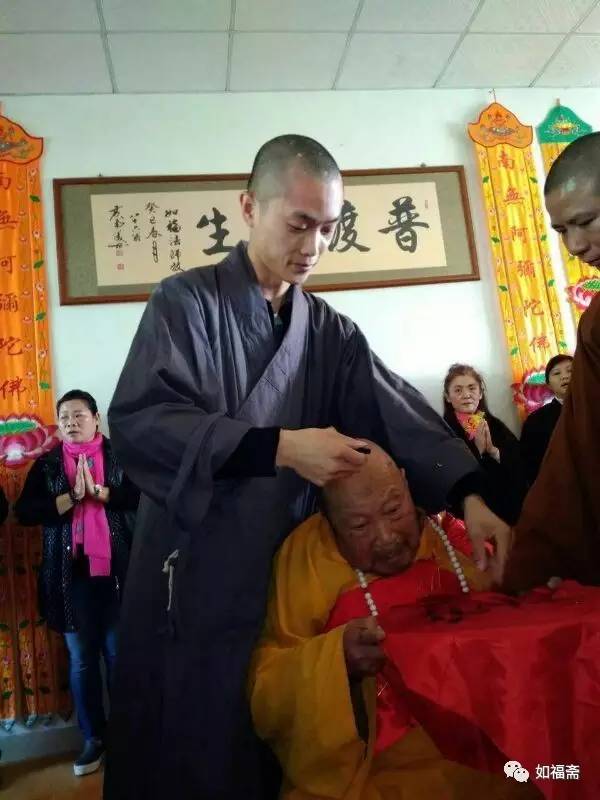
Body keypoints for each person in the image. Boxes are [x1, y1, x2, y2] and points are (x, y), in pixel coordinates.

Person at [104, 134, 511, 800]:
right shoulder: (186, 303)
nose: (314, 246)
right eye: (299, 224)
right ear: (248, 207)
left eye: (328, 228)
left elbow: (396, 419)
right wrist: (281, 446)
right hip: (196, 578)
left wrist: (470, 497)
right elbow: (143, 422)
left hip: (287, 581)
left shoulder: (329, 332)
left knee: (288, 753)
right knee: (194, 755)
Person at [248, 443, 538, 799]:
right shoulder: (308, 557)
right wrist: (336, 658)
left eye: (394, 509)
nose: (386, 537)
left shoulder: (455, 535)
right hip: (375, 776)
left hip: (490, 760)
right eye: (359, 525)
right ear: (329, 520)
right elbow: (267, 690)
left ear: (406, 484)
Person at [14, 390, 139, 777]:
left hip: (118, 574)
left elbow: (141, 498)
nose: (70, 422)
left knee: (119, 657)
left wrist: (100, 493)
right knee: (83, 661)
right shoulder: (48, 464)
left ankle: (127, 739)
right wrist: (71, 498)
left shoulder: (121, 456)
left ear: (96, 418)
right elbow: (24, 512)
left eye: (78, 415)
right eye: (64, 417)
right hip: (69, 579)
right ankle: (93, 739)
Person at [503, 132, 600, 592]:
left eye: (585, 221)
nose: (575, 245)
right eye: (562, 230)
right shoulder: (596, 322)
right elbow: (580, 445)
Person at [443, 364, 527, 525]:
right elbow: (449, 482)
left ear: (480, 393)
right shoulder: (444, 432)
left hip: (509, 513)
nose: (466, 395)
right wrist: (477, 451)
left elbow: (520, 465)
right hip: (471, 520)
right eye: (458, 390)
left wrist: (494, 452)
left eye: (472, 388)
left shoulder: (496, 426)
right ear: (448, 397)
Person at [519, 354, 573, 485]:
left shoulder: (593, 407)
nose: (564, 376)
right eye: (557, 373)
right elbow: (530, 466)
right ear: (548, 385)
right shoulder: (535, 421)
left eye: (571, 370)